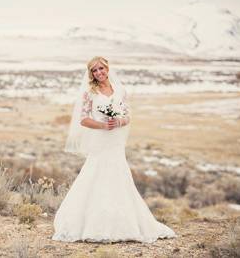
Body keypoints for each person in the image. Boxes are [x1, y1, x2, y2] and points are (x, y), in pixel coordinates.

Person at [52, 56, 177, 243]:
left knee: (119, 176)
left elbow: (128, 116)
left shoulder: (120, 90)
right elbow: (84, 119)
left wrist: (118, 121)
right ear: (91, 74)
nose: (99, 73)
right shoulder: (89, 93)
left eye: (101, 68)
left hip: (116, 142)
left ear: (107, 68)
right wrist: (103, 126)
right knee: (95, 175)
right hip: (101, 140)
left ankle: (123, 222)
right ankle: (91, 223)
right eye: (94, 70)